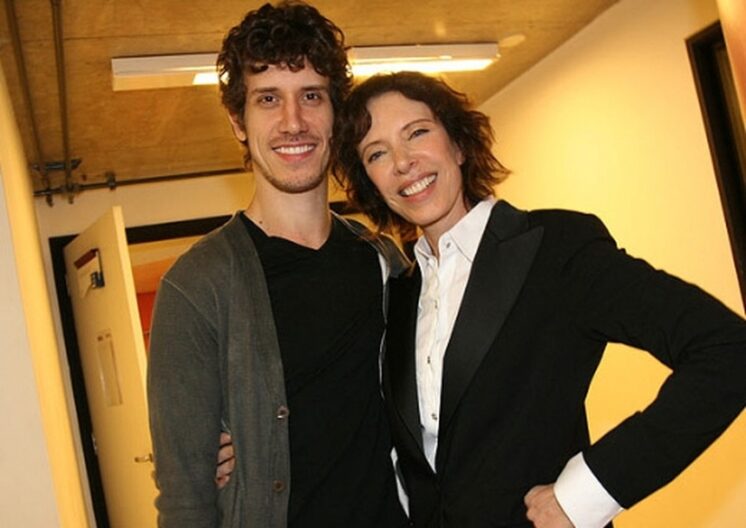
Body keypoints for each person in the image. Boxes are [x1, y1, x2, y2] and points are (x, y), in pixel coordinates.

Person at [333, 71, 746, 528]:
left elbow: (728, 350)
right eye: (377, 153)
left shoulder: (555, 248)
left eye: (417, 133)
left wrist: (589, 491)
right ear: (370, 182)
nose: (403, 162)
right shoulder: (398, 294)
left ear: (459, 144)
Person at [146, 2, 409, 527]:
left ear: (336, 114)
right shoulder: (197, 287)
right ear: (238, 123)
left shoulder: (384, 262)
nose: (294, 122)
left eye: (311, 96)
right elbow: (184, 500)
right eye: (268, 99)